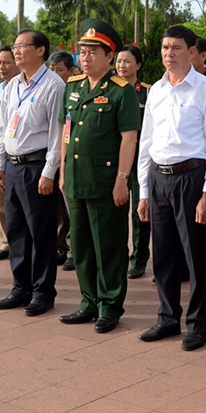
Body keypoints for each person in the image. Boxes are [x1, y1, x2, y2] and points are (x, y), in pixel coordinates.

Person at [137, 25, 206, 351]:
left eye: (175, 48)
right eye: (164, 48)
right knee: (163, 256)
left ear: (191, 51)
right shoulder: (155, 90)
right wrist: (144, 191)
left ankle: (199, 325)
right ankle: (167, 318)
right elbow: (147, 141)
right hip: (159, 177)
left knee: (198, 257)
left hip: (192, 177)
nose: (169, 54)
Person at [58, 20, 140, 334]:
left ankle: (109, 305)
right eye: (83, 51)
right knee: (80, 245)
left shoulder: (121, 92)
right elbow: (67, 133)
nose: (86, 57)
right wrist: (63, 171)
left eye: (94, 52)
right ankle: (88, 301)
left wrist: (122, 179)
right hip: (77, 180)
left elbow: (128, 139)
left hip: (106, 183)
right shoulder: (73, 87)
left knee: (108, 246)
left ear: (110, 56)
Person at [0, 30, 66, 316]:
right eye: (15, 46)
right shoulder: (12, 87)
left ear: (41, 51)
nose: (17, 51)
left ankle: (43, 292)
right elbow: (2, 128)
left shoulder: (52, 85)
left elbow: (57, 134)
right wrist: (0, 165)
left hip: (37, 167)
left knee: (41, 232)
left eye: (23, 46)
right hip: (12, 165)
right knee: (18, 231)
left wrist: (49, 171)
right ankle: (20, 288)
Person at [116, 45, 151, 279]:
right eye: (118, 61)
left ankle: (139, 258)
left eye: (127, 61)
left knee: (140, 210)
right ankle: (118, 256)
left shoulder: (147, 92)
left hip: (140, 159)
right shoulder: (110, 90)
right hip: (116, 159)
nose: (121, 66)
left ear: (138, 65)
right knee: (116, 209)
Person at [48, 50, 75, 268]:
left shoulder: (73, 92)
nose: (55, 74)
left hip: (69, 158)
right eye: (52, 69)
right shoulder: (49, 90)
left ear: (71, 71)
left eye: (60, 70)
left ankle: (73, 250)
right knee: (56, 209)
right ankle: (59, 247)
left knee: (70, 207)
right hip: (50, 157)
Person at [0, 45, 18, 261]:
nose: (2, 67)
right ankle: (7, 242)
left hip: (25, 156)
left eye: (6, 62)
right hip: (2, 154)